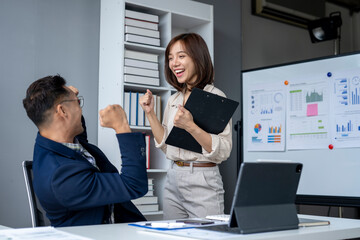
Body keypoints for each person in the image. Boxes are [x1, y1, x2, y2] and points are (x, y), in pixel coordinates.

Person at [22, 75, 148, 227]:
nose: (81, 108)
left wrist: (71, 101)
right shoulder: (61, 177)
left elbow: (74, 130)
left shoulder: (57, 142)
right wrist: (122, 126)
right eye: (78, 103)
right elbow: (133, 185)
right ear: (62, 111)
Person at [139, 33, 232, 219]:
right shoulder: (174, 99)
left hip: (202, 179)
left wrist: (190, 126)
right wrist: (149, 112)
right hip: (173, 176)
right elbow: (166, 146)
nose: (174, 63)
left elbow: (223, 151)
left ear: (198, 57)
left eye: (181, 56)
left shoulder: (216, 97)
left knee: (207, 235)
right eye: (170, 58)